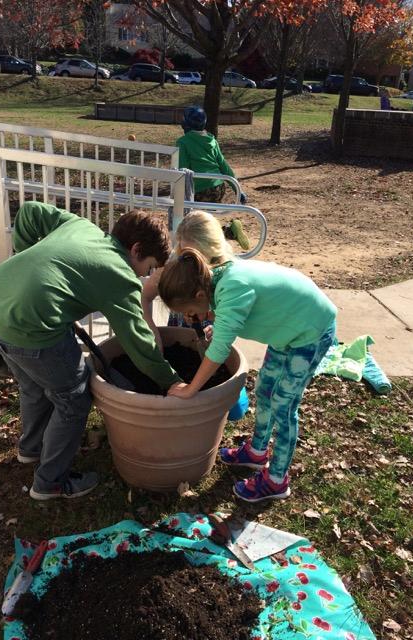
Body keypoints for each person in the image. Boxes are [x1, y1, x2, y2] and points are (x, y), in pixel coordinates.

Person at [0, 202, 181, 501]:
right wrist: (171, 381)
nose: (144, 275)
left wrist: (26, 260)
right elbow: (138, 342)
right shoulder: (119, 272)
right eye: (149, 267)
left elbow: (31, 212)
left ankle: (31, 449)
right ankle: (49, 483)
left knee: (34, 387)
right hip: (33, 329)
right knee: (73, 398)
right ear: (136, 250)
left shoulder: (81, 226)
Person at [158, 248, 337, 502]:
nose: (190, 318)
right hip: (286, 332)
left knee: (283, 405)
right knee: (264, 390)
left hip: (310, 330)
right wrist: (213, 318)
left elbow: (219, 351)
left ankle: (276, 481)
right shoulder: (215, 279)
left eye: (189, 310)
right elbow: (230, 310)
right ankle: (257, 452)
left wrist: (190, 389)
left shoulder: (232, 287)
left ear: (199, 294)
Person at [141, 210, 233, 351]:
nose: (190, 260)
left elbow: (235, 317)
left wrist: (219, 328)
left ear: (214, 248)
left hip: (213, 334)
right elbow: (145, 296)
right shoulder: (175, 263)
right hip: (179, 334)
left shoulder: (228, 273)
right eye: (186, 253)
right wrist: (153, 336)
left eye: (198, 255)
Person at [177, 106, 250, 250]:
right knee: (205, 220)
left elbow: (182, 169)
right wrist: (237, 189)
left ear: (186, 124)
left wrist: (178, 191)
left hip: (199, 188)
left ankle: (229, 232)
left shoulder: (183, 142)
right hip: (218, 186)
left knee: (197, 227)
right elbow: (223, 165)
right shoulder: (212, 140)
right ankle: (229, 232)